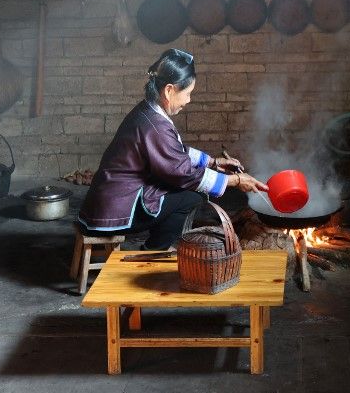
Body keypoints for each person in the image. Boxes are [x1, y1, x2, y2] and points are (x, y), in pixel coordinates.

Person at [77, 48, 268, 250]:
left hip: (106, 204)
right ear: (169, 90)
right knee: (192, 196)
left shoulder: (148, 110)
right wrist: (236, 180)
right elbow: (183, 174)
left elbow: (173, 151)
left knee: (182, 190)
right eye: (187, 93)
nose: (188, 100)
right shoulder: (155, 126)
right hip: (113, 212)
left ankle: (157, 245)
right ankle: (154, 250)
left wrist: (213, 162)